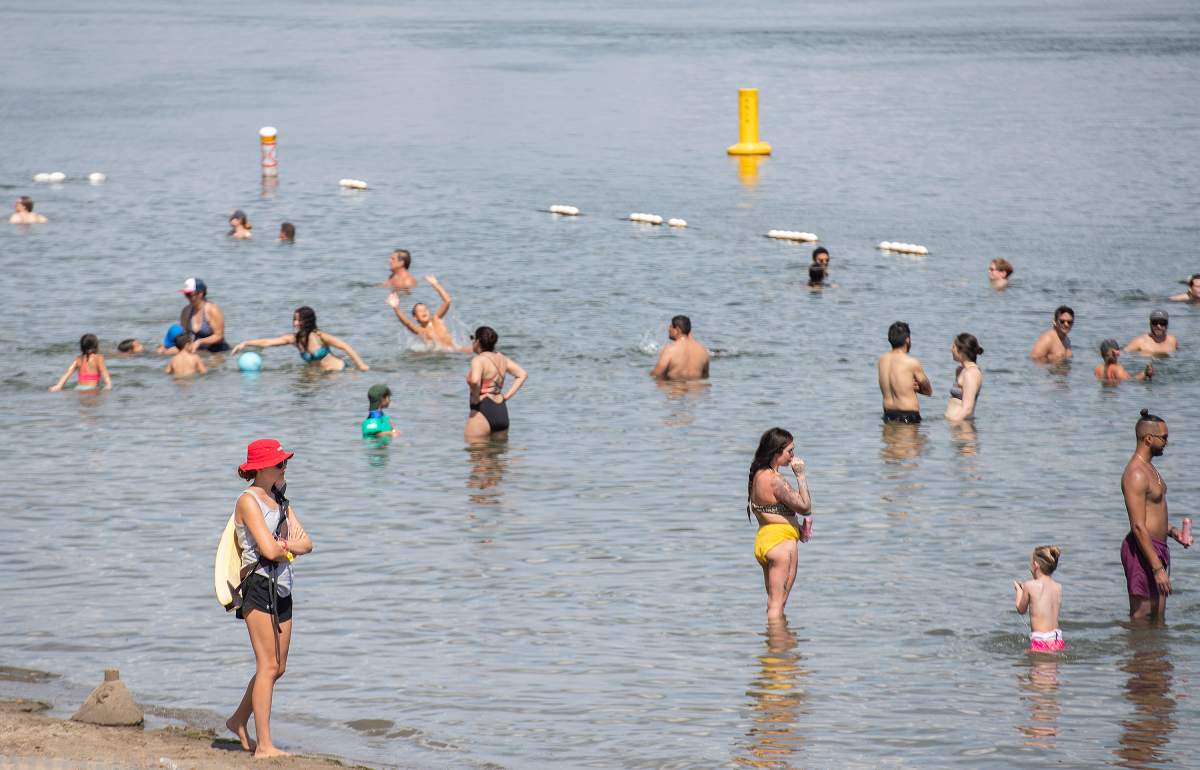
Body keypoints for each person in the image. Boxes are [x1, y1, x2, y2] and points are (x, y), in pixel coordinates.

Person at [225, 439, 313, 758]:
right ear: (261, 469)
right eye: (279, 464)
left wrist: (285, 548)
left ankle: (237, 720)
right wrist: (287, 547)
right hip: (258, 585)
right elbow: (269, 549)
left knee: (279, 667)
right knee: (268, 665)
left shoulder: (281, 500)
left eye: (285, 463)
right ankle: (264, 745)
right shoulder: (248, 500)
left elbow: (309, 543)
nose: (284, 467)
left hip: (283, 586)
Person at [1121, 410, 1192, 622]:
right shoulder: (1135, 473)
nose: (1167, 443)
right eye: (1164, 438)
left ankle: (1157, 655)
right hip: (1142, 549)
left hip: (1157, 548)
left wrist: (1172, 532)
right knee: (1142, 615)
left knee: (1159, 616)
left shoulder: (1150, 468)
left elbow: (1154, 512)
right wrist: (1157, 568)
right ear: (1148, 438)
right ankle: (1138, 654)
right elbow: (1138, 526)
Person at [747, 428, 812, 622]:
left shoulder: (757, 475)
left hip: (764, 541)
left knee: (773, 601)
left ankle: (774, 647)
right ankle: (777, 649)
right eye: (789, 451)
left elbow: (768, 511)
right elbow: (805, 506)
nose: (793, 456)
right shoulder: (775, 480)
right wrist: (800, 476)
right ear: (776, 453)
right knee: (778, 605)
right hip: (781, 544)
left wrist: (795, 525)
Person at [233, 307, 369, 372]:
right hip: (318, 374)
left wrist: (361, 366)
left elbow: (346, 347)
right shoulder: (295, 339)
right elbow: (267, 342)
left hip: (339, 371)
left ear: (308, 321)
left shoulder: (320, 336)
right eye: (294, 319)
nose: (295, 323)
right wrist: (245, 343)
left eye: (299, 320)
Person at [465, 326, 528, 441]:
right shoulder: (502, 358)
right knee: (498, 456)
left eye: (473, 338)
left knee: (476, 454)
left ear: (478, 341)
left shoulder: (478, 360)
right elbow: (522, 374)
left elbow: (474, 381)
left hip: (482, 410)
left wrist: (476, 398)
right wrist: (507, 396)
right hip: (501, 411)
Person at [386, 275, 465, 350]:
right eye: (420, 311)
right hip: (442, 354)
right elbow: (407, 323)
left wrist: (435, 284)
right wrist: (396, 308)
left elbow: (447, 301)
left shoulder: (436, 319)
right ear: (415, 317)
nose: (424, 311)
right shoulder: (420, 331)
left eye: (425, 309)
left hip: (455, 349)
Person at [878, 321, 932, 423]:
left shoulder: (882, 361)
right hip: (907, 416)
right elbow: (928, 391)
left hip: (888, 415)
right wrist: (918, 388)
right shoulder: (911, 362)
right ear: (907, 339)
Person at [1013, 546, 1064, 652]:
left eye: (1031, 563)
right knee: (1052, 668)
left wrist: (1019, 591)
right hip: (1057, 639)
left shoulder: (1029, 585)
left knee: (1036, 668)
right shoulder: (1058, 587)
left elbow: (1021, 609)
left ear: (1036, 565)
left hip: (1040, 641)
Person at [650, 315, 711, 380]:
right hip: (696, 388)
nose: (668, 329)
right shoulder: (703, 351)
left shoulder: (670, 349)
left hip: (675, 387)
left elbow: (656, 374)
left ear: (677, 330)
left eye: (670, 327)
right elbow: (705, 376)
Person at [178, 278, 230, 353]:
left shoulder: (213, 310)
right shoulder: (186, 311)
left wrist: (200, 342)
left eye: (189, 294)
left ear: (200, 293)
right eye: (186, 294)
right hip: (200, 351)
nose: (187, 297)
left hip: (218, 352)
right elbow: (184, 335)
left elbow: (219, 336)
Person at [945, 333, 983, 421]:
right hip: (955, 427)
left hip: (963, 428)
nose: (951, 349)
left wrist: (954, 422)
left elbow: (967, 409)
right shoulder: (960, 370)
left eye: (953, 347)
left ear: (962, 350)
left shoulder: (971, 373)